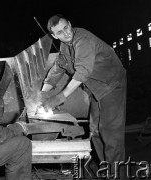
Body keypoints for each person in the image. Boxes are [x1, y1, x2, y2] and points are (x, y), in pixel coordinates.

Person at [41, 14, 126, 178]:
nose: (65, 33)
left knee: (110, 133)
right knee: (95, 132)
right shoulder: (65, 46)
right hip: (96, 88)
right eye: (59, 32)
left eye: (66, 27)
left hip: (112, 84)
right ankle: (108, 171)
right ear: (54, 36)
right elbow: (58, 69)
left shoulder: (82, 39)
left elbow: (82, 72)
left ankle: (119, 175)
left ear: (70, 24)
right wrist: (43, 95)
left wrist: (58, 98)